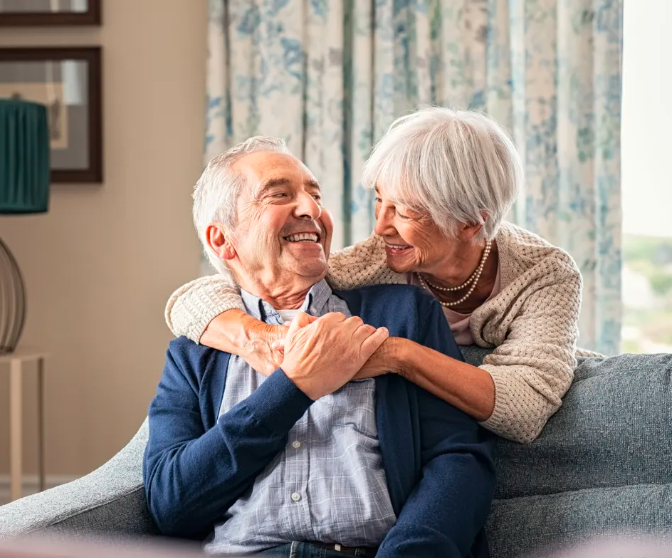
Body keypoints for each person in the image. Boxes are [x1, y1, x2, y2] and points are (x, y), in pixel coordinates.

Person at [144, 137, 495, 557]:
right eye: (280, 194)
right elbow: (171, 504)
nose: (311, 209)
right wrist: (293, 388)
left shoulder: (403, 315)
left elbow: (458, 460)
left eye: (315, 194)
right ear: (223, 241)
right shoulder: (194, 353)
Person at [164, 108, 583, 443]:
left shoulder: (544, 275)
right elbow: (200, 296)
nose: (381, 226)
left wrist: (397, 355)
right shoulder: (375, 259)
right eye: (380, 201)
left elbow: (525, 409)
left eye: (403, 211)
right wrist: (260, 338)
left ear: (470, 223)